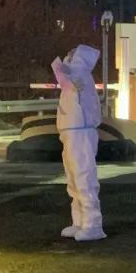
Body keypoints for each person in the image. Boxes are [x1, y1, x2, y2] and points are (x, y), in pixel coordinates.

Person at [51, 44, 105, 242]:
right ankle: (80, 221)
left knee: (83, 177)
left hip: (80, 132)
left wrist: (62, 66)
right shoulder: (75, 74)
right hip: (71, 131)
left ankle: (92, 224)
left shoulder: (79, 74)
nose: (68, 54)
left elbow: (67, 79)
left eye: (72, 53)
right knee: (74, 180)